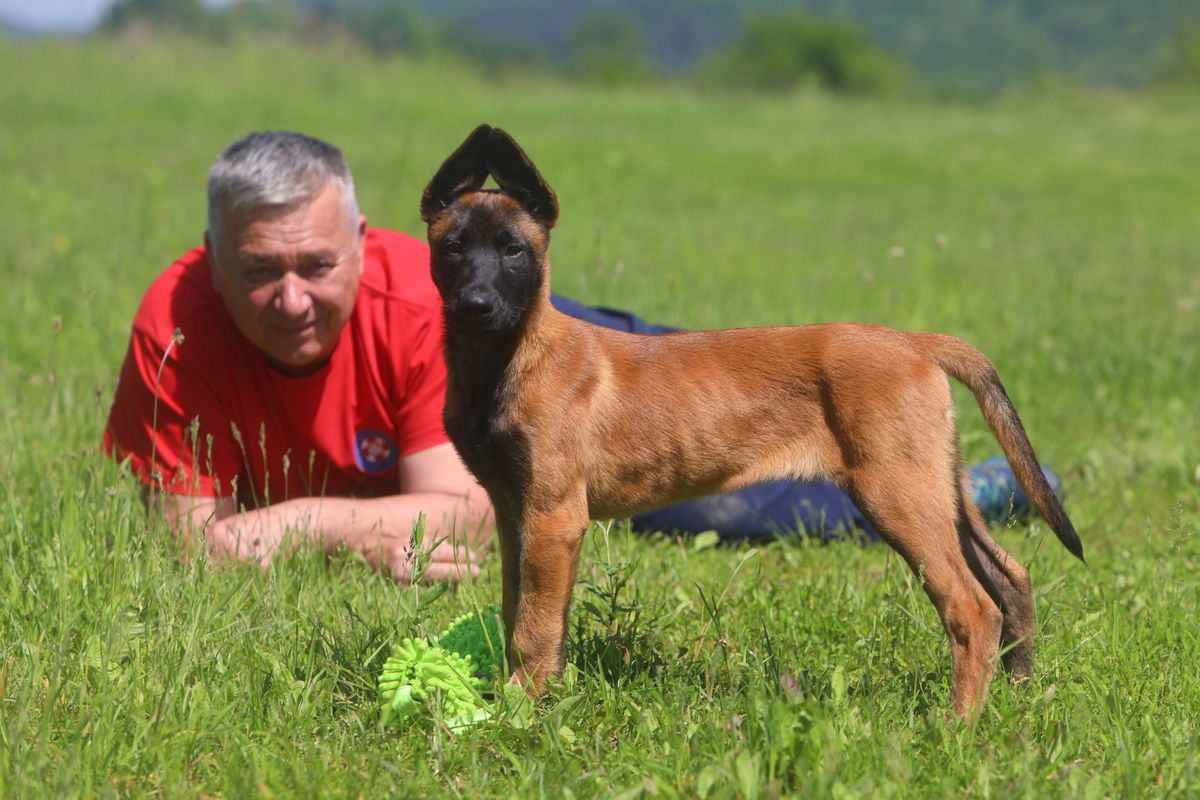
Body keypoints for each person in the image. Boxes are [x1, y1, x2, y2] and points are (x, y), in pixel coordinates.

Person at [104, 130, 1056, 583]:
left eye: (316, 264)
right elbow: (192, 543)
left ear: (362, 240)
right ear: (211, 257)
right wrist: (361, 532)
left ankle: (948, 483)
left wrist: (297, 524)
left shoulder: (427, 304)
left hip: (550, 347)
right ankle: (934, 478)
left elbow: (467, 507)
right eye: (258, 270)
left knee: (733, 481)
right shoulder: (174, 328)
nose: (291, 298)